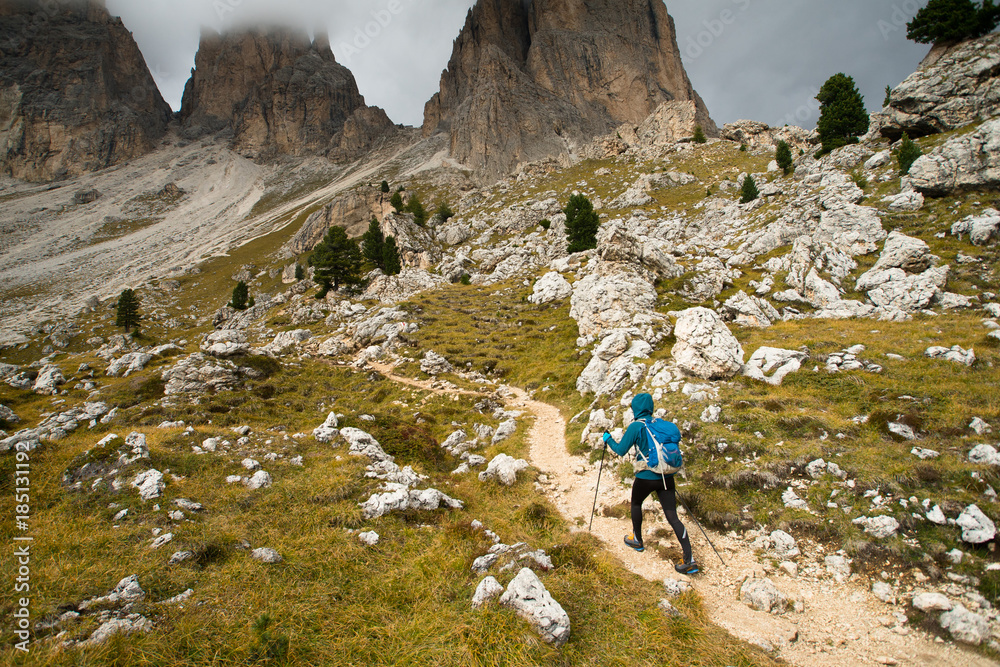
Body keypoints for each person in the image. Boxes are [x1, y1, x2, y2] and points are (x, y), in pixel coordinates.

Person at [603, 393, 698, 575]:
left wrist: (608, 440)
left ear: (635, 409)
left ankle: (637, 539)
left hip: (646, 476)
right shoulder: (661, 425)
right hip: (666, 477)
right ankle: (689, 560)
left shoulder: (636, 426)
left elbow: (621, 450)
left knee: (637, 503)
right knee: (673, 517)